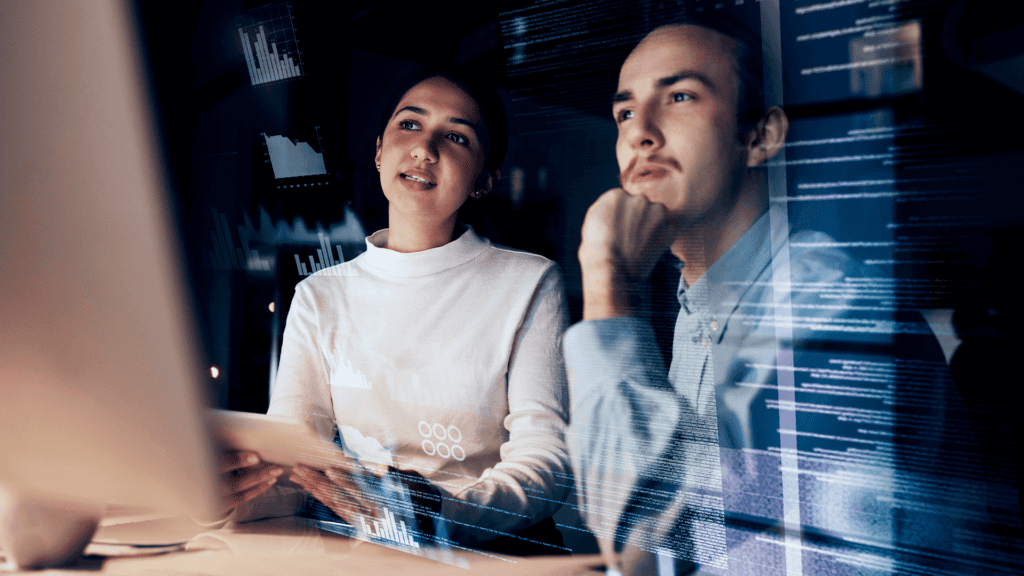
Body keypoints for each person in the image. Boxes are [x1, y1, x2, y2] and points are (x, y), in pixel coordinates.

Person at [564, 13, 959, 576]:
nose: (638, 132)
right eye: (624, 111)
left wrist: (607, 278)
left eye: (679, 97)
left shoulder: (833, 309)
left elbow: (647, 549)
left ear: (760, 136)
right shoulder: (699, 299)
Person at [218, 67, 571, 554]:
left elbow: (546, 464)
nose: (425, 148)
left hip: (490, 554)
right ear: (380, 151)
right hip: (368, 551)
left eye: (456, 136)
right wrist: (225, 497)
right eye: (410, 125)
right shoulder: (320, 295)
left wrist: (433, 512)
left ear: (484, 180)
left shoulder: (529, 282)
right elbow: (294, 473)